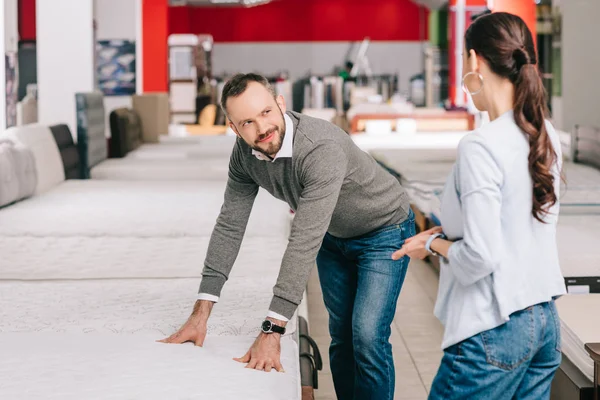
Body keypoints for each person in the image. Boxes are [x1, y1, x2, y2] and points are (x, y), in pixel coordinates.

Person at [160, 73, 415, 399]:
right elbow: (230, 225)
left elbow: (304, 239)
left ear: (281, 104)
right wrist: (200, 314)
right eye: (247, 122)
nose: (262, 128)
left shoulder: (319, 147)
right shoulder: (243, 156)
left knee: (366, 334)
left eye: (266, 112)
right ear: (234, 128)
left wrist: (272, 330)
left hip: (384, 229)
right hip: (333, 237)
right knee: (341, 334)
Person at [392, 12, 566, 399]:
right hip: (544, 321)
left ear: (474, 61)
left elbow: (480, 258)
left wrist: (431, 244)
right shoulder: (546, 135)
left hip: (494, 322)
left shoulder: (480, 145)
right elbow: (518, 224)